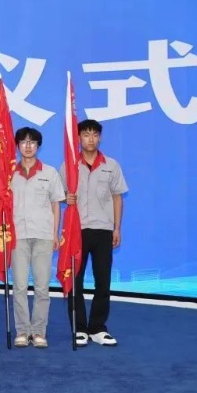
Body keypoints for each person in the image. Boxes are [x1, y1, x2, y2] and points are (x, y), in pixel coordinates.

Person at [62, 119, 128, 347]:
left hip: (103, 230)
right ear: (78, 138)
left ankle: (98, 327)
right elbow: (58, 195)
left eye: (94, 135)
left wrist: (117, 228)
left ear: (100, 137)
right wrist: (66, 198)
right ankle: (79, 328)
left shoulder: (111, 165)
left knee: (103, 280)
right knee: (75, 281)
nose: (90, 139)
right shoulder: (69, 165)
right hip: (76, 231)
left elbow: (118, 197)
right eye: (86, 134)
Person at [10, 127, 64, 348]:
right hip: (18, 236)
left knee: (42, 287)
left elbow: (56, 205)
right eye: (24, 142)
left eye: (32, 142)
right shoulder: (9, 173)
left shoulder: (49, 173)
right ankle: (23, 331)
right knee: (20, 286)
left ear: (38, 146)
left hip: (43, 235)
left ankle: (39, 331)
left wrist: (55, 234)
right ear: (17, 146)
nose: (28, 146)